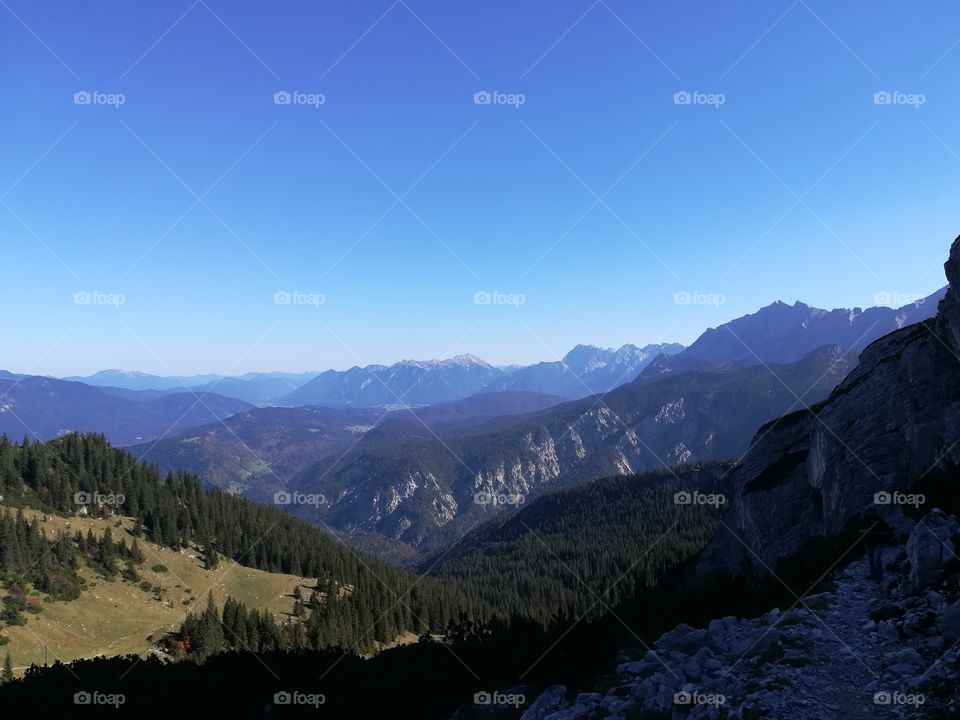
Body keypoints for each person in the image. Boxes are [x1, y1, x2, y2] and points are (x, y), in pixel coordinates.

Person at [860, 510, 893, 583]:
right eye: (870, 513)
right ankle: (873, 575)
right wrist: (866, 531)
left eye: (873, 512)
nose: (872, 514)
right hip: (868, 543)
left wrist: (873, 532)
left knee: (877, 560)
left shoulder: (880, 521)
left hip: (878, 544)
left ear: (875, 513)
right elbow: (860, 530)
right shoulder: (866, 521)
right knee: (871, 560)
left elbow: (884, 532)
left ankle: (880, 578)